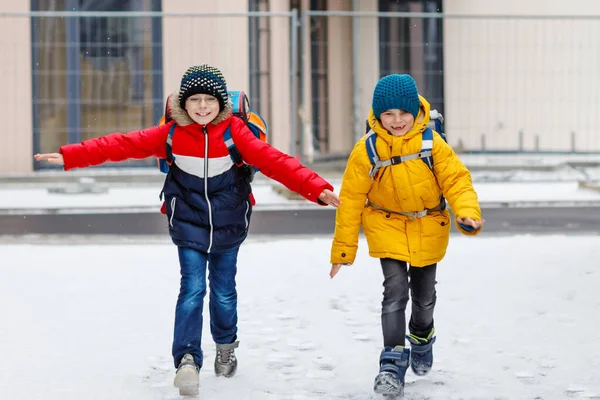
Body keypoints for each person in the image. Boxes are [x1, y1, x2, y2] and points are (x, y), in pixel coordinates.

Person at [35, 64, 341, 396]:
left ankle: (225, 346)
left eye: (209, 99)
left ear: (221, 102)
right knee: (192, 290)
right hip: (187, 223)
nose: (202, 106)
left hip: (229, 223)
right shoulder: (171, 134)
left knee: (224, 292)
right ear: (183, 104)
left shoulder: (235, 132)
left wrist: (317, 188)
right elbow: (119, 145)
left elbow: (275, 161)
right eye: (194, 99)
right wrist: (69, 156)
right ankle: (186, 360)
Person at [328, 74, 484, 397]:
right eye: (388, 114)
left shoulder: (432, 144)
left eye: (403, 113)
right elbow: (351, 200)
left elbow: (457, 181)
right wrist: (343, 251)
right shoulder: (367, 150)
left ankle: (422, 335)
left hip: (427, 226)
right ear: (377, 115)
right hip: (387, 226)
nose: (397, 121)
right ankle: (392, 365)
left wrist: (466, 212)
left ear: (415, 111)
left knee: (424, 298)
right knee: (395, 291)